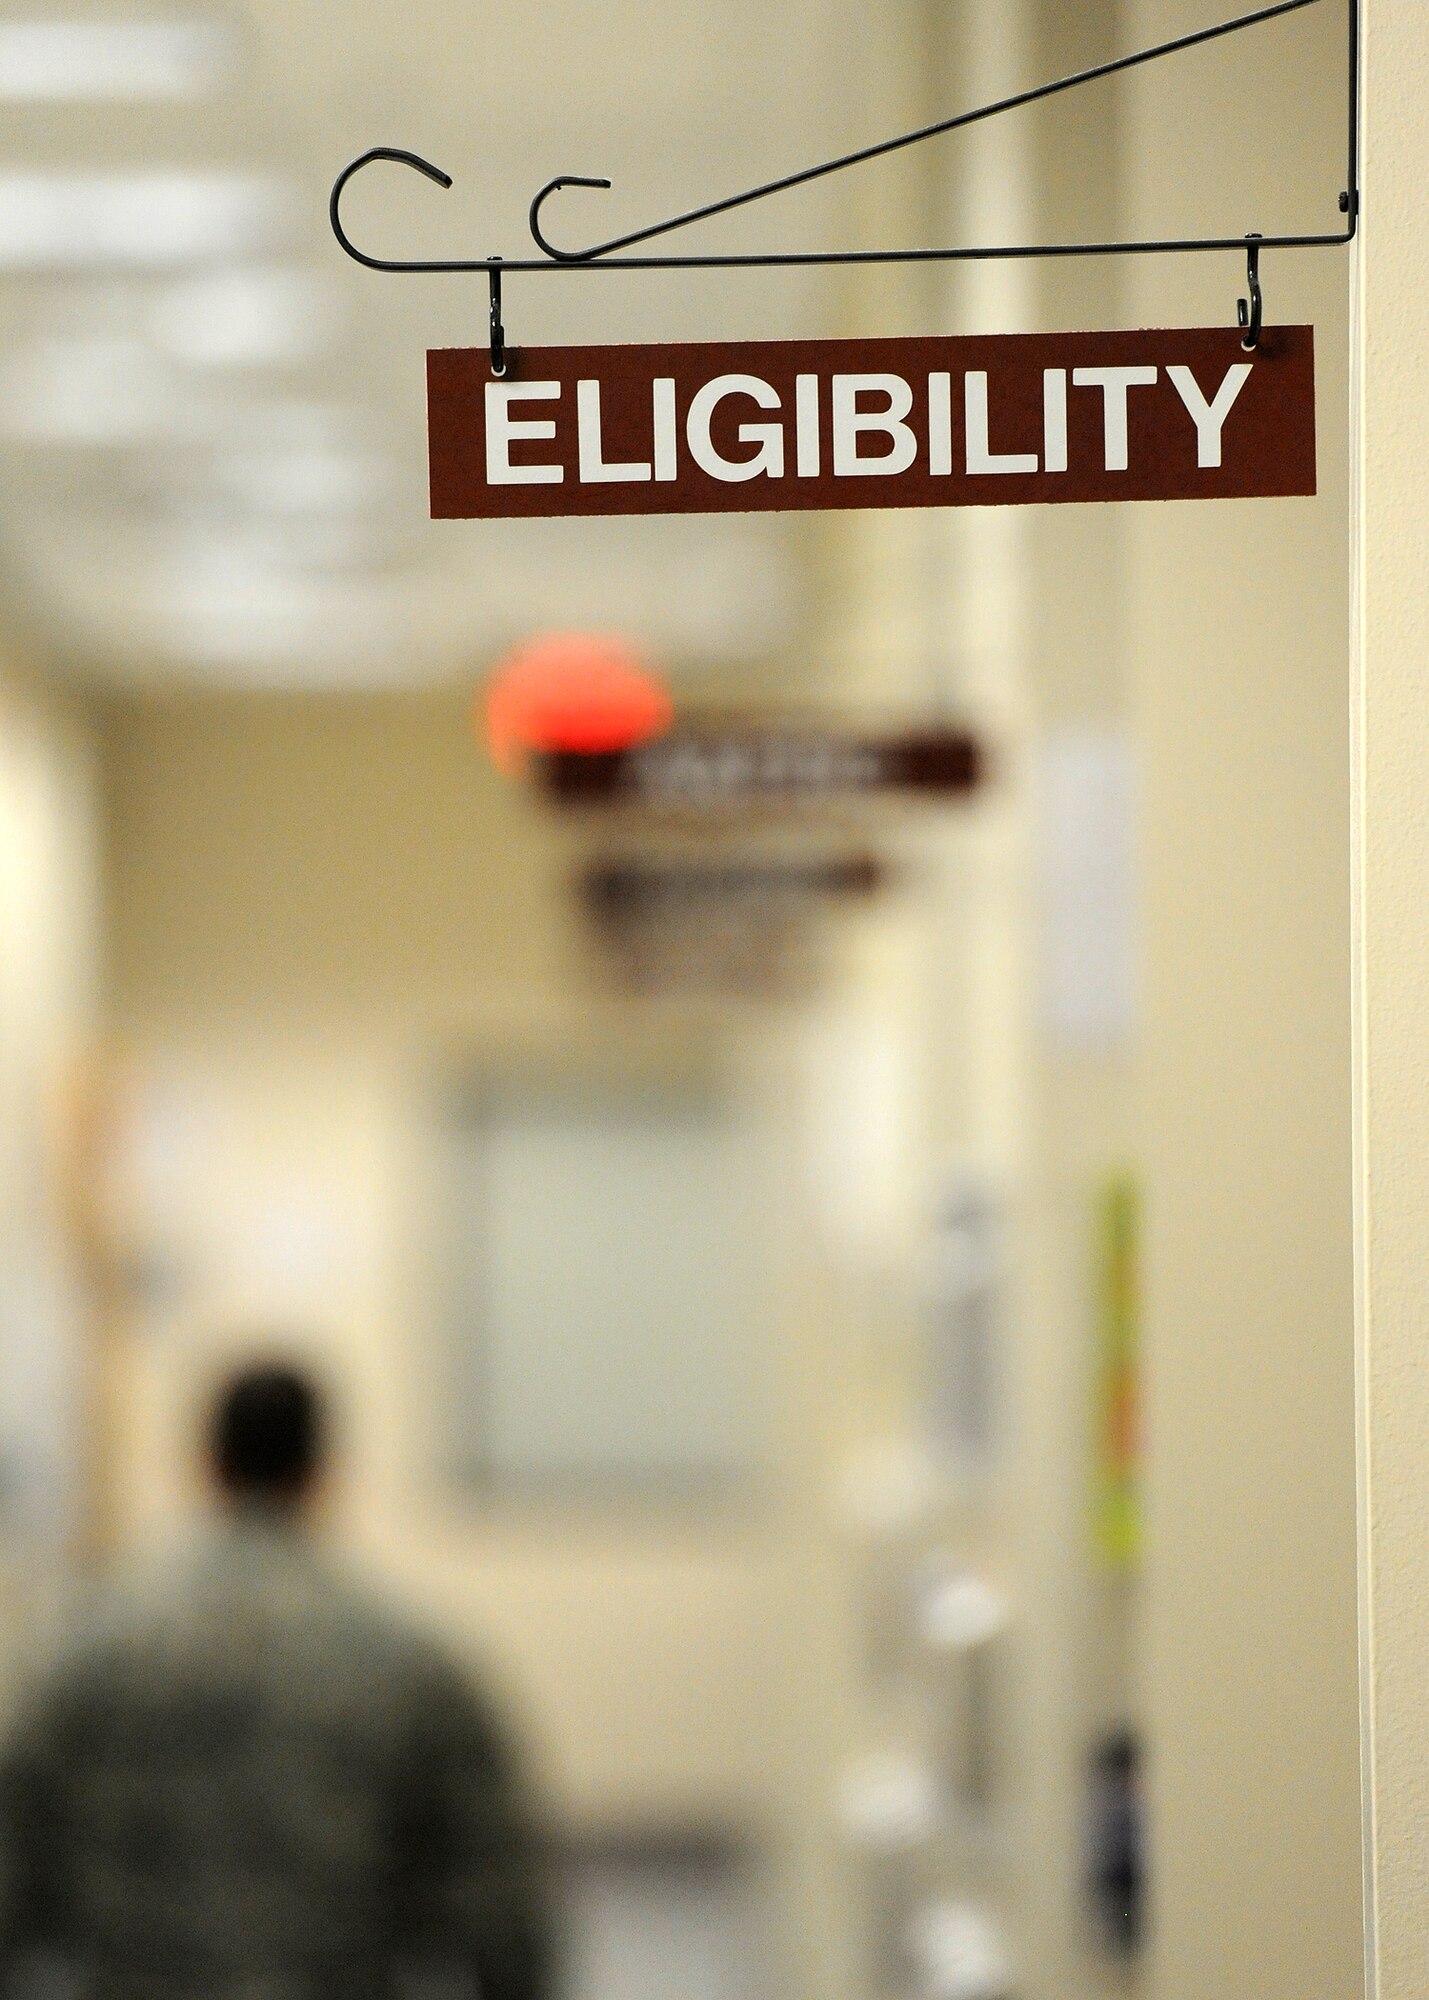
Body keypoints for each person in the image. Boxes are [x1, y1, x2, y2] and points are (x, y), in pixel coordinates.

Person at [0, 1360, 552, 2000]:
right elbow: (501, 1909)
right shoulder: (411, 1662)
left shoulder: (82, 1650)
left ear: (207, 1465)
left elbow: (12, 1859)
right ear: (323, 1473)